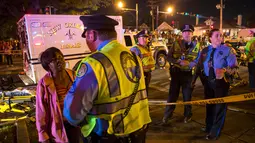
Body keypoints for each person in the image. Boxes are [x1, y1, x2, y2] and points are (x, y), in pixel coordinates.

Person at [63, 15, 151, 143]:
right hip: (138, 131)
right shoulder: (133, 56)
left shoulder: (94, 63)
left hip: (109, 135)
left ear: (91, 35)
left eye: (87, 36)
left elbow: (73, 113)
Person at [198, 29, 238, 140]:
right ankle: (208, 126)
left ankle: (215, 132)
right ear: (210, 38)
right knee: (209, 105)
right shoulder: (206, 50)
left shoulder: (228, 50)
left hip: (221, 83)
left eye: (221, 35)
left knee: (220, 108)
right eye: (217, 35)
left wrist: (224, 70)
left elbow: (234, 68)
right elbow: (199, 65)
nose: (219, 37)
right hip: (208, 82)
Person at [36, 47, 81, 143]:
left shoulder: (73, 75)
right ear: (48, 65)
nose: (59, 61)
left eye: (60, 57)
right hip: (59, 127)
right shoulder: (44, 83)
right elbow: (41, 111)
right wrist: (43, 135)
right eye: (54, 60)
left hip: (76, 124)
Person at [162, 24, 201, 124]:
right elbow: (168, 57)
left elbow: (199, 60)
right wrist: (178, 61)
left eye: (189, 32)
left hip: (188, 74)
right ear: (182, 34)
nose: (187, 34)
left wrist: (191, 64)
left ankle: (187, 115)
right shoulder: (176, 44)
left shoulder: (197, 46)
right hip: (176, 74)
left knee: (187, 96)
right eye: (184, 32)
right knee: (172, 96)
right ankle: (167, 115)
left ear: (192, 34)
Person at [130, 30, 155, 95]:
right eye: (143, 38)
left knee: (145, 92)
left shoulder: (146, 48)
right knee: (141, 93)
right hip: (141, 75)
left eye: (146, 38)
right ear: (138, 39)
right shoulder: (135, 49)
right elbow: (132, 65)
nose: (145, 40)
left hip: (147, 74)